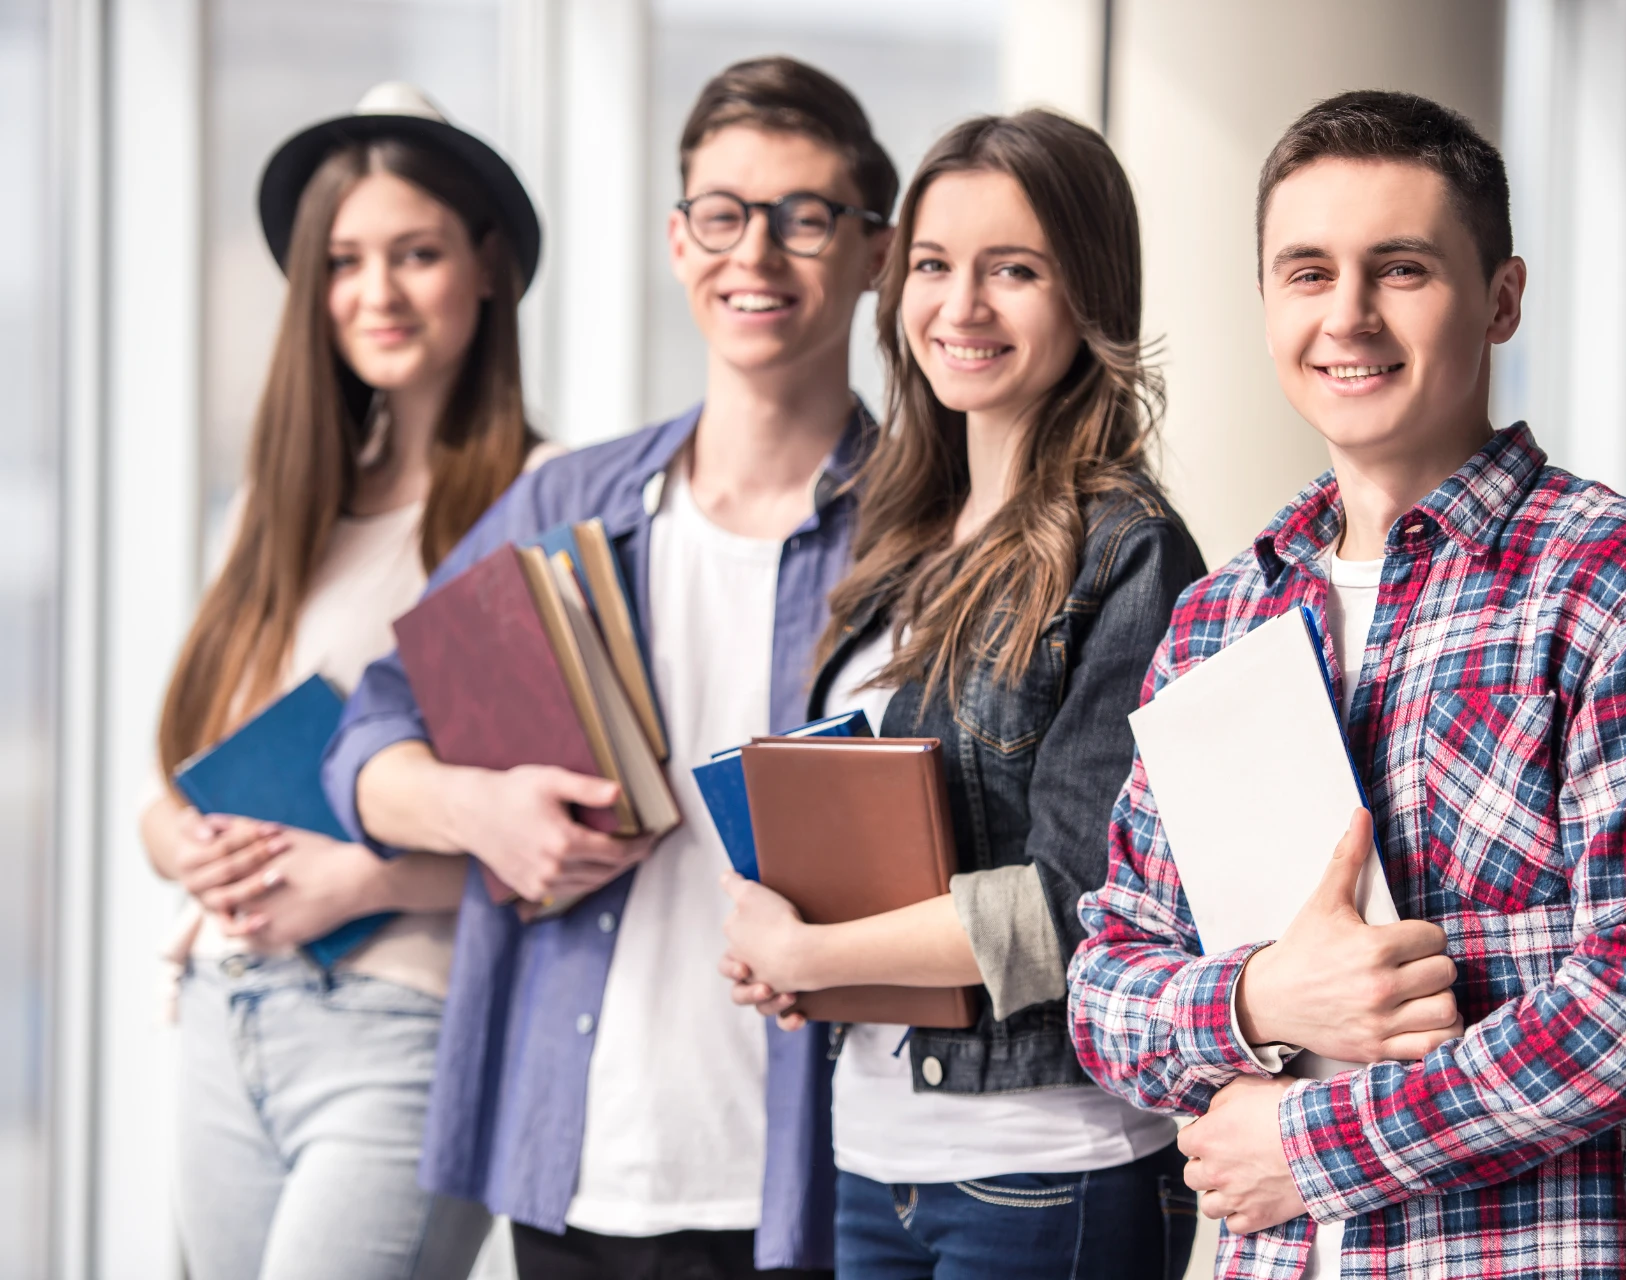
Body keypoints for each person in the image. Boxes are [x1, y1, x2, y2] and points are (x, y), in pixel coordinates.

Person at [1068, 90, 1626, 1280]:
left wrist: (1317, 1140)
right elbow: (1107, 983)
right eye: (1306, 272)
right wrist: (1259, 999)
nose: (1348, 316)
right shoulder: (1219, 618)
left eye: (1400, 268)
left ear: (1500, 299)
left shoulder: (1618, 584)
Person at [320, 57, 895, 1279]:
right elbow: (368, 733)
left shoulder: (926, 532)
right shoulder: (565, 502)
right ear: (680, 243)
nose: (759, 255)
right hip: (577, 1159)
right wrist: (476, 809)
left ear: (875, 252)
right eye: (724, 215)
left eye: (805, 217)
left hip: (818, 1177)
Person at [717, 109, 1208, 1280]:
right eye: (934, 265)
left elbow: (1075, 904)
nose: (962, 306)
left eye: (1014, 270)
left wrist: (817, 953)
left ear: (1089, 294)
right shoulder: (899, 528)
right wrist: (799, 947)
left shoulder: (1128, 551)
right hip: (874, 1150)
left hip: (1046, 1164)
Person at [141, 83, 557, 1280]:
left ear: (486, 267)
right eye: (345, 260)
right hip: (228, 1014)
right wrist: (186, 846)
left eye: (415, 254)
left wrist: (350, 878)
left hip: (407, 1022)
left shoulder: (536, 502)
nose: (375, 293)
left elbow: (571, 836)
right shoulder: (275, 511)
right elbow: (163, 790)